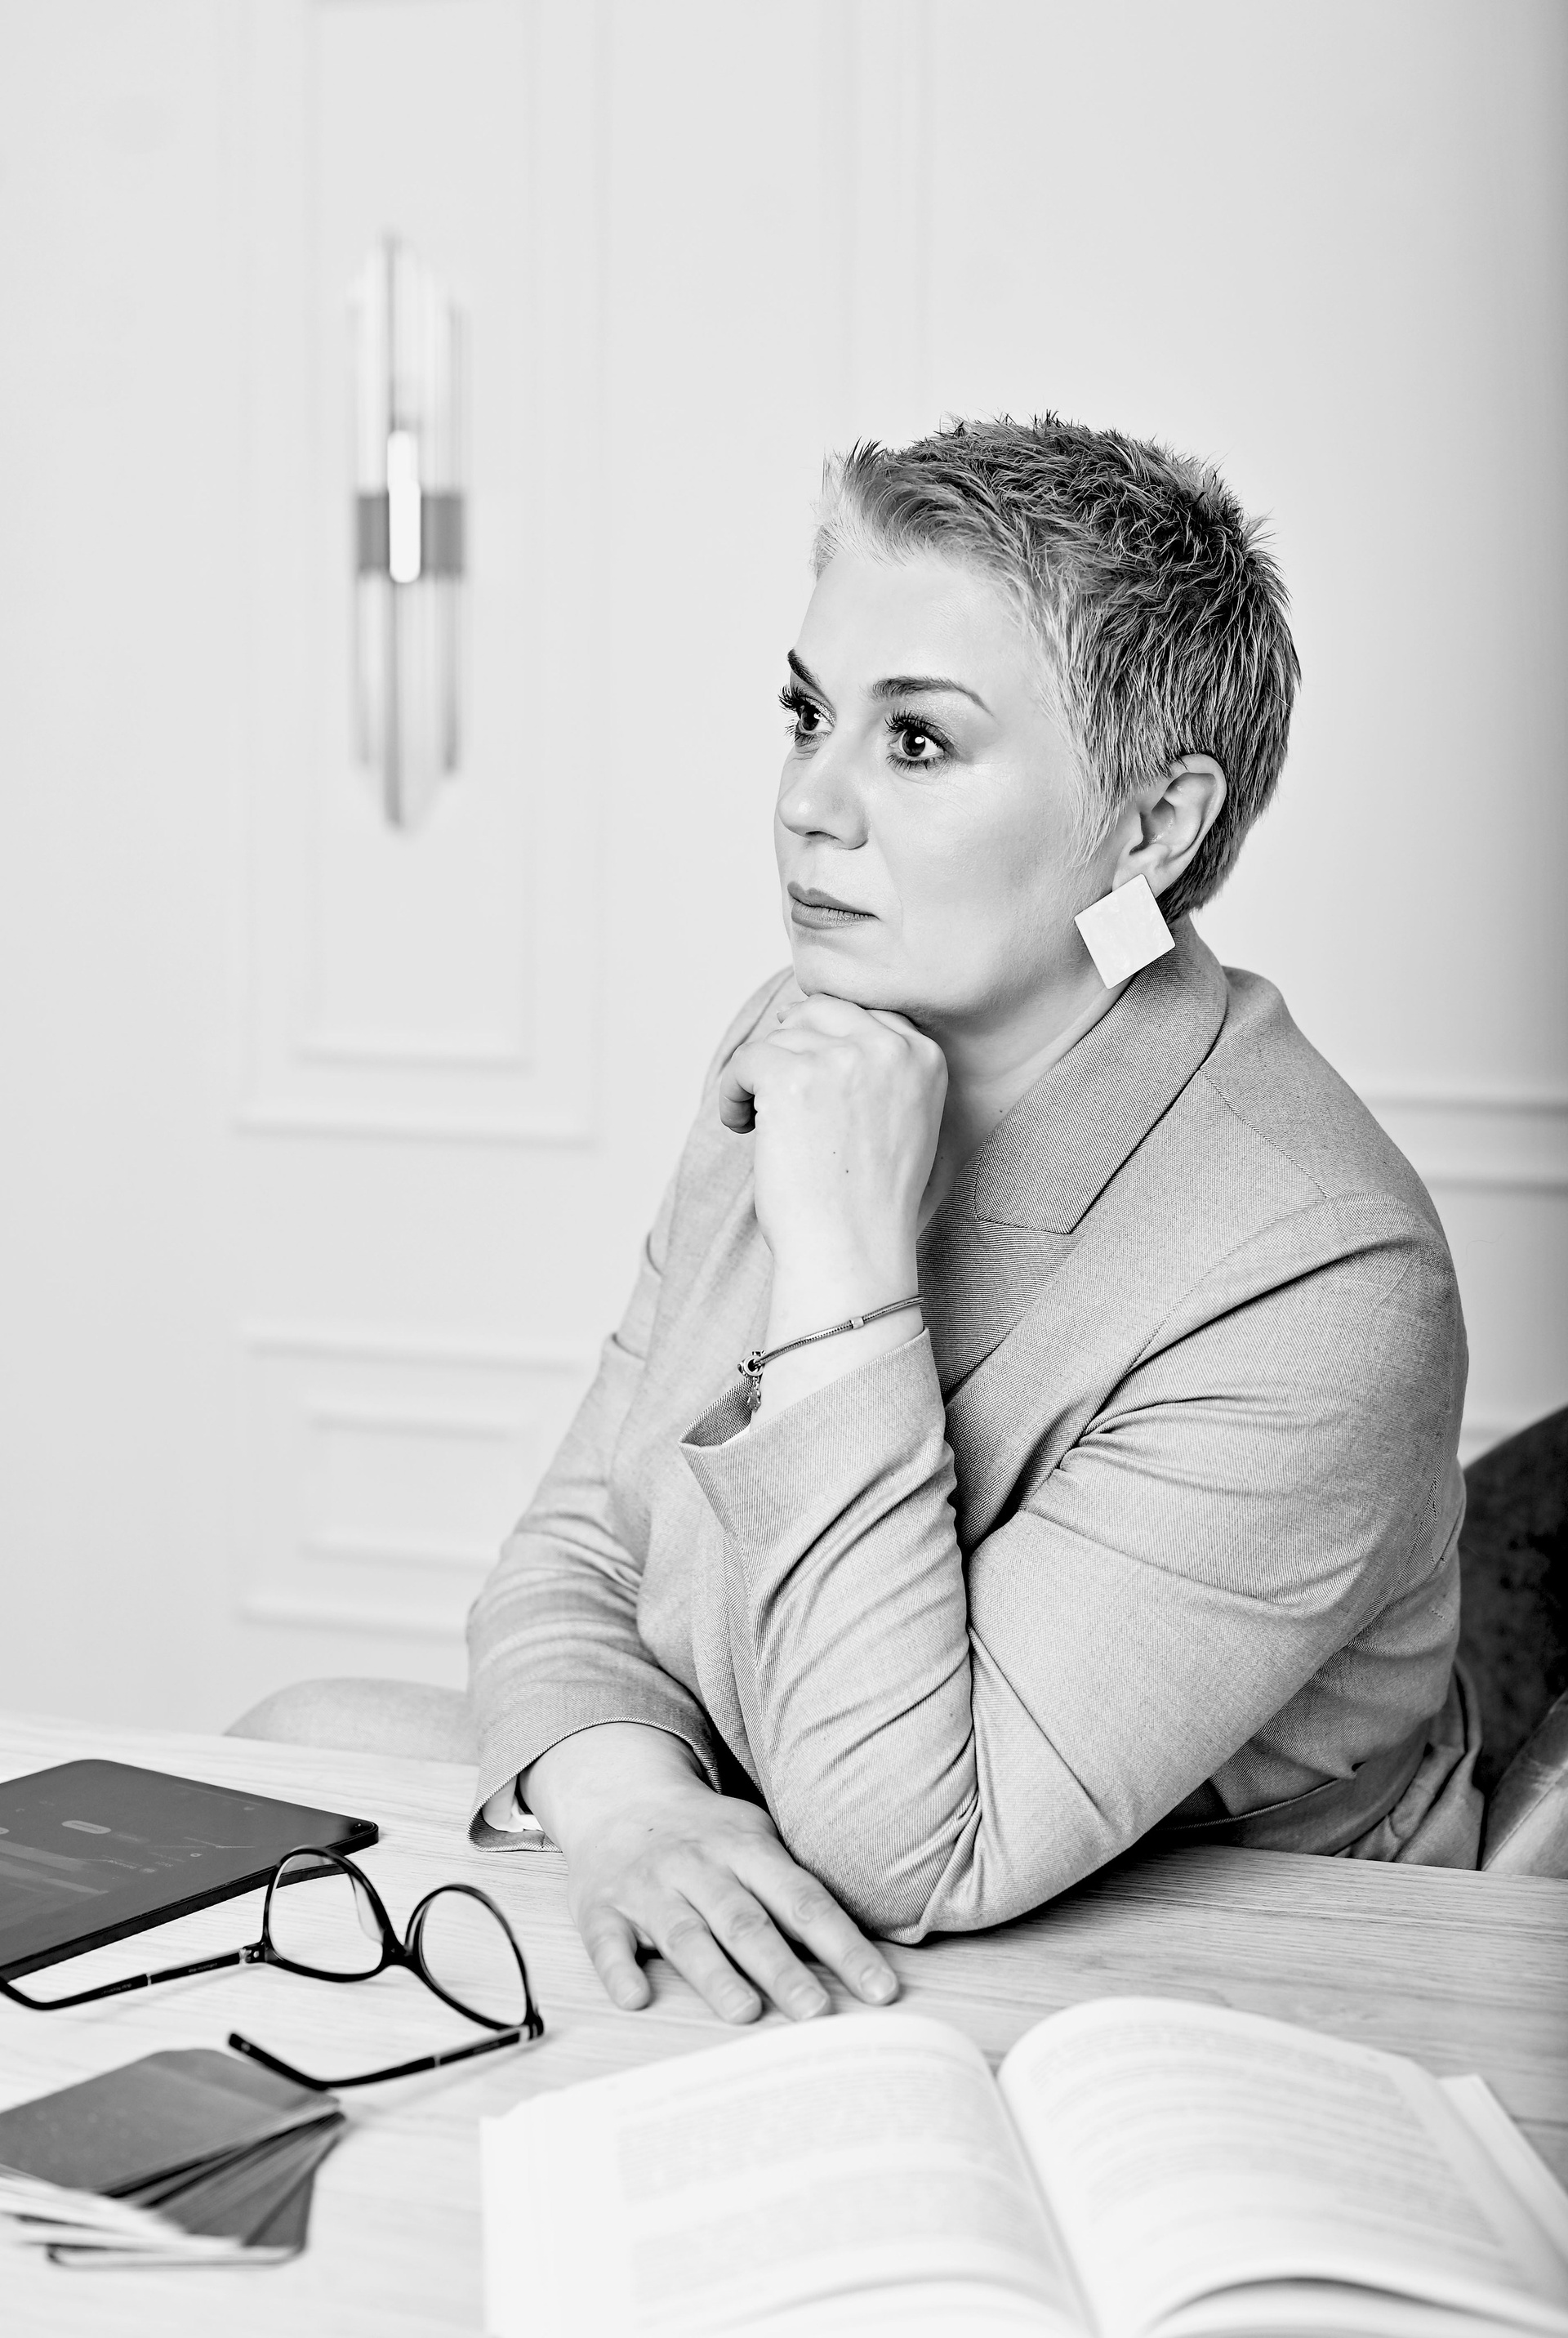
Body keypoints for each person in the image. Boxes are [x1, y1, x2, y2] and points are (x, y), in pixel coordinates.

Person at [234, 416, 1480, 2032]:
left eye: (918, 742)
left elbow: (915, 1846)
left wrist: (841, 1265)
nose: (810, 803)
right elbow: (581, 1544)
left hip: (1214, 1985)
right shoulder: (812, 1039)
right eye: (809, 715)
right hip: (805, 1840)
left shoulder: (1321, 1278)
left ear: (1153, 828)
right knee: (283, 1749)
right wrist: (630, 1802)